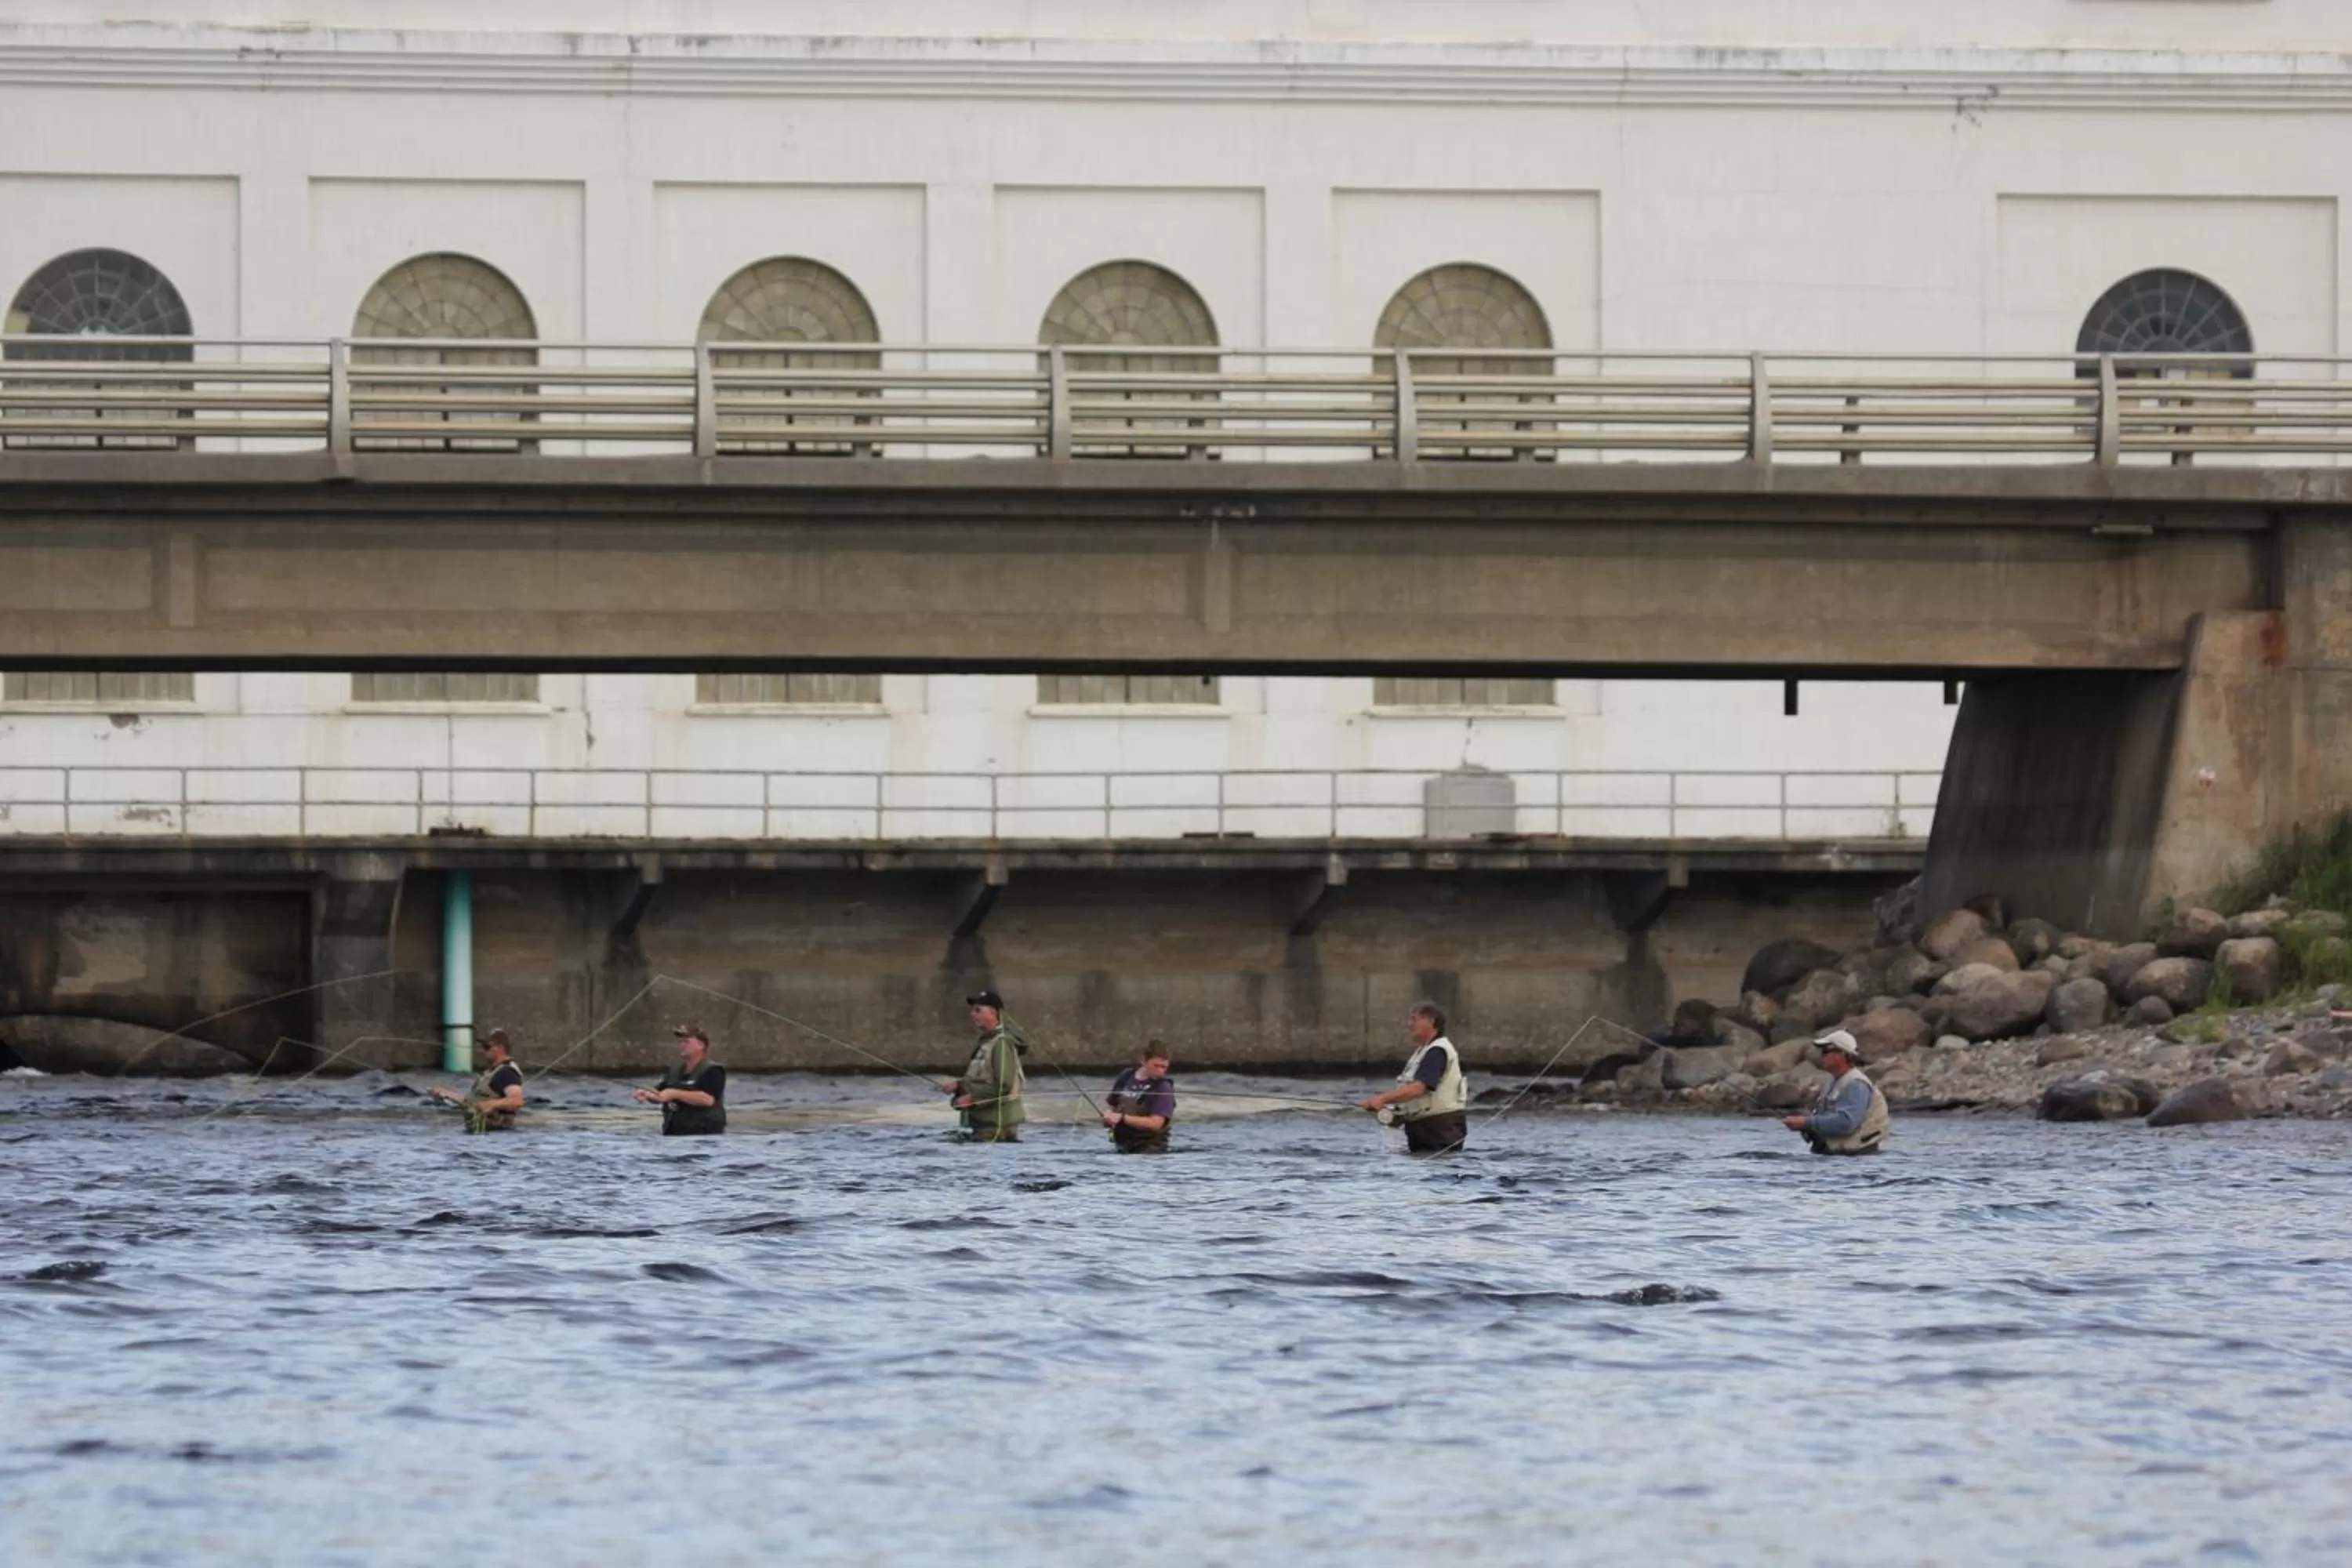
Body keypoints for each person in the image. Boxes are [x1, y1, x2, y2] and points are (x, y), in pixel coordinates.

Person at [1358, 1001, 1468, 1154]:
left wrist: (1382, 1099)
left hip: (1440, 1128)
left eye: (1415, 1019)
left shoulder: (1437, 1051)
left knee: (1439, 1173)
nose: (1409, 1024)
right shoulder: (1423, 1052)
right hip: (1424, 1128)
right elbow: (1417, 1098)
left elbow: (1419, 1088)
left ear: (1432, 1022)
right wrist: (1393, 1114)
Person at [1784, 1029, 1889, 1155]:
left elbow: (1846, 1123)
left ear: (1841, 1055)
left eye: (1826, 1051)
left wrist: (1806, 1122)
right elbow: (1826, 1119)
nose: (1822, 1056)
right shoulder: (1833, 1082)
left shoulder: (1856, 1084)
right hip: (1837, 1156)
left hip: (1857, 1158)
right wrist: (1807, 1127)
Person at [944, 989, 1027, 1144]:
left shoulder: (1001, 1043)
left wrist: (972, 1099)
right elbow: (985, 1078)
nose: (972, 1014)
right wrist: (960, 1085)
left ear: (993, 1013)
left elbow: (1004, 1085)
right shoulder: (988, 1042)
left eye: (978, 1010)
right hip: (985, 1125)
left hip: (997, 1128)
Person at [634, 1023, 728, 1136]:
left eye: (687, 1042)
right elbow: (661, 1093)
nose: (682, 1045)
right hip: (674, 1134)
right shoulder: (674, 1070)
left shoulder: (713, 1071)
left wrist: (673, 1094)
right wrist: (647, 1094)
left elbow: (707, 1100)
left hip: (705, 1136)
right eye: (681, 1042)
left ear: (701, 1045)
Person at [430, 1026, 524, 1133]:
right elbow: (473, 1104)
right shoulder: (490, 1073)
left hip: (497, 1136)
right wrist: (447, 1095)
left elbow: (516, 1101)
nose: (484, 1051)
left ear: (500, 1048)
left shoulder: (507, 1073)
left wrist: (491, 1105)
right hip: (481, 1134)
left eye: (487, 1047)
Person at [1102, 1042, 1176, 1153]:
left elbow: (1156, 1123)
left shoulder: (1163, 1087)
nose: (1160, 1071)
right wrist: (1108, 1116)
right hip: (1122, 1145)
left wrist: (1123, 1119)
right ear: (1143, 1060)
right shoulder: (1126, 1076)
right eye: (1156, 1066)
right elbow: (1112, 1104)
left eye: (1164, 1067)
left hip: (1150, 1148)